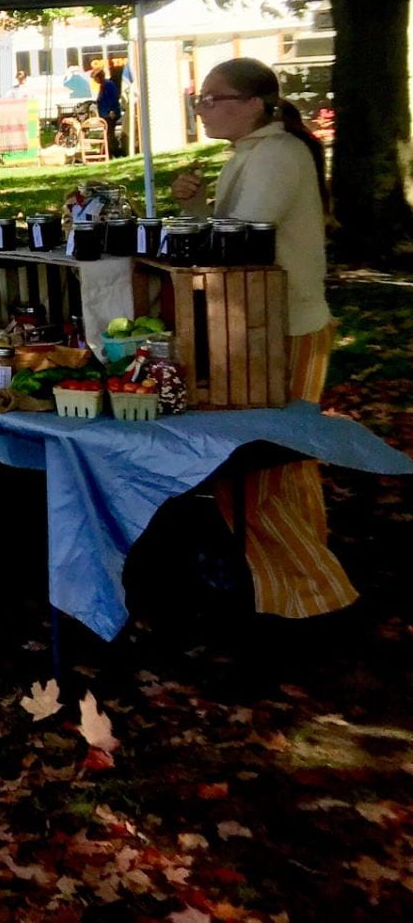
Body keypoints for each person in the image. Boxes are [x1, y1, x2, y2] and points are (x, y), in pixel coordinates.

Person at [169, 57, 357, 621]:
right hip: (267, 324)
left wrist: (190, 230)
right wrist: (193, 206)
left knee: (257, 471)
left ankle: (318, 594)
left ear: (254, 104)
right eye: (199, 99)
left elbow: (241, 242)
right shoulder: (253, 153)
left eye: (213, 98)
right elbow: (233, 231)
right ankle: (299, 589)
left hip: (284, 328)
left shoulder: (276, 155)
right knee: (281, 464)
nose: (202, 109)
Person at [94, 66, 125, 155]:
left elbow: (113, 98)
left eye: (95, 78)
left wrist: (112, 110)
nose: (95, 80)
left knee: (110, 133)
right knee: (109, 133)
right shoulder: (102, 86)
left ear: (99, 77)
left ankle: (114, 151)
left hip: (110, 113)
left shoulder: (108, 84)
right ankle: (111, 151)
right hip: (105, 114)